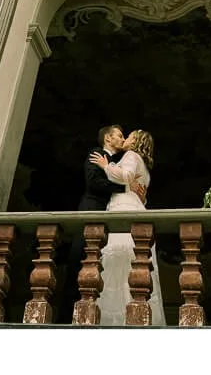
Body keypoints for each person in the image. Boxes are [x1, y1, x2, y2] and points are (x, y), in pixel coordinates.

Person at [59, 124, 147, 323]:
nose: (123, 138)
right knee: (78, 263)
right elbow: (94, 182)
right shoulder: (96, 153)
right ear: (108, 138)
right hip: (92, 212)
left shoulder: (123, 160)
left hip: (110, 219)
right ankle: (65, 320)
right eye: (119, 135)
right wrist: (126, 188)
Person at [89, 128, 165, 325]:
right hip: (136, 208)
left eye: (129, 136)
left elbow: (126, 176)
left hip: (123, 208)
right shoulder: (145, 167)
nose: (126, 138)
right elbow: (141, 193)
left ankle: (117, 318)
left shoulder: (131, 155)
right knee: (136, 265)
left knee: (118, 263)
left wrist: (106, 166)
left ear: (136, 141)